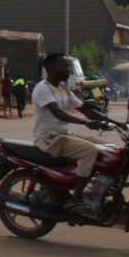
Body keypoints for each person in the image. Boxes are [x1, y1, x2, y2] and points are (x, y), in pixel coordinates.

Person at [32, 53, 110, 216]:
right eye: (64, 66)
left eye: (68, 66)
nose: (68, 70)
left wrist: (115, 123)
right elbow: (57, 113)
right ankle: (76, 199)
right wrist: (86, 123)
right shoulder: (43, 88)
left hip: (62, 135)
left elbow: (85, 110)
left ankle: (91, 189)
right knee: (89, 150)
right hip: (47, 138)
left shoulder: (63, 90)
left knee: (105, 148)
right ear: (52, 69)